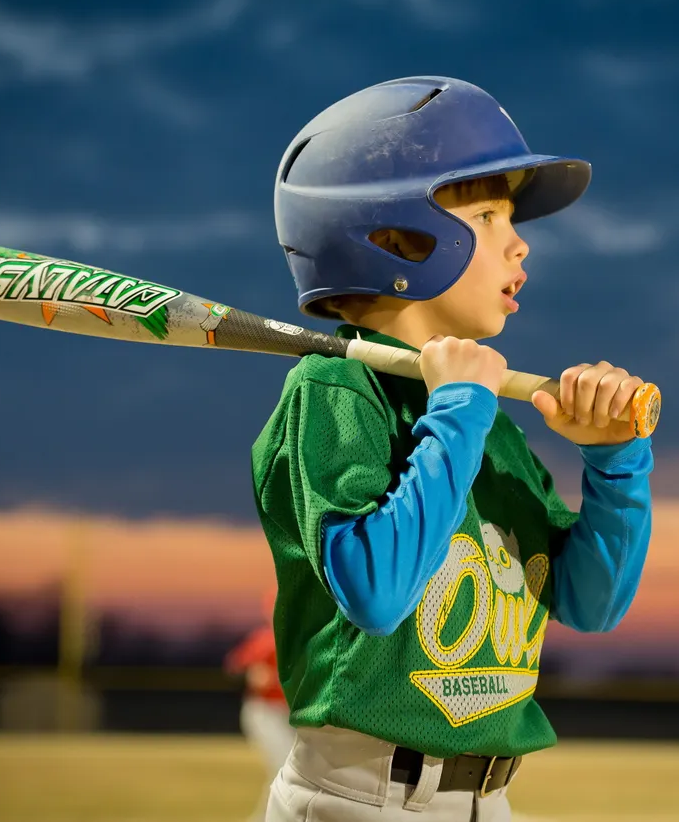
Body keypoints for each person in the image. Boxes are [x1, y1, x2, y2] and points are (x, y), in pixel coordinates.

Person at [251, 76, 655, 821]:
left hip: (488, 801)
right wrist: (458, 412)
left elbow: (590, 603)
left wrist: (615, 463)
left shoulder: (481, 422)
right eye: (490, 212)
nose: (519, 239)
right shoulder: (335, 391)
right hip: (360, 801)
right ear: (396, 237)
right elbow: (377, 592)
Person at [225, 590, 296, 822]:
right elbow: (235, 668)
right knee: (283, 769)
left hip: (288, 715)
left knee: (291, 769)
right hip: (264, 712)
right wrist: (252, 673)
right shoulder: (265, 640)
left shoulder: (299, 641)